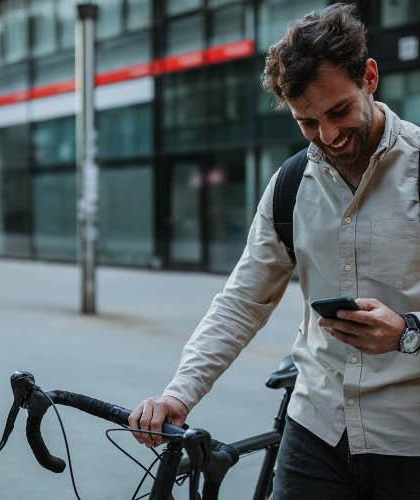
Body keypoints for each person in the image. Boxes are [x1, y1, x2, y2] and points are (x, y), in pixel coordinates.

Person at [129, 3, 420, 498]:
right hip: (316, 430)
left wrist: (409, 333)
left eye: (338, 111)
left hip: (409, 441)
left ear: (370, 77)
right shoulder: (291, 184)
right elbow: (243, 299)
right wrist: (181, 392)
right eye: (307, 122)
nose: (328, 137)